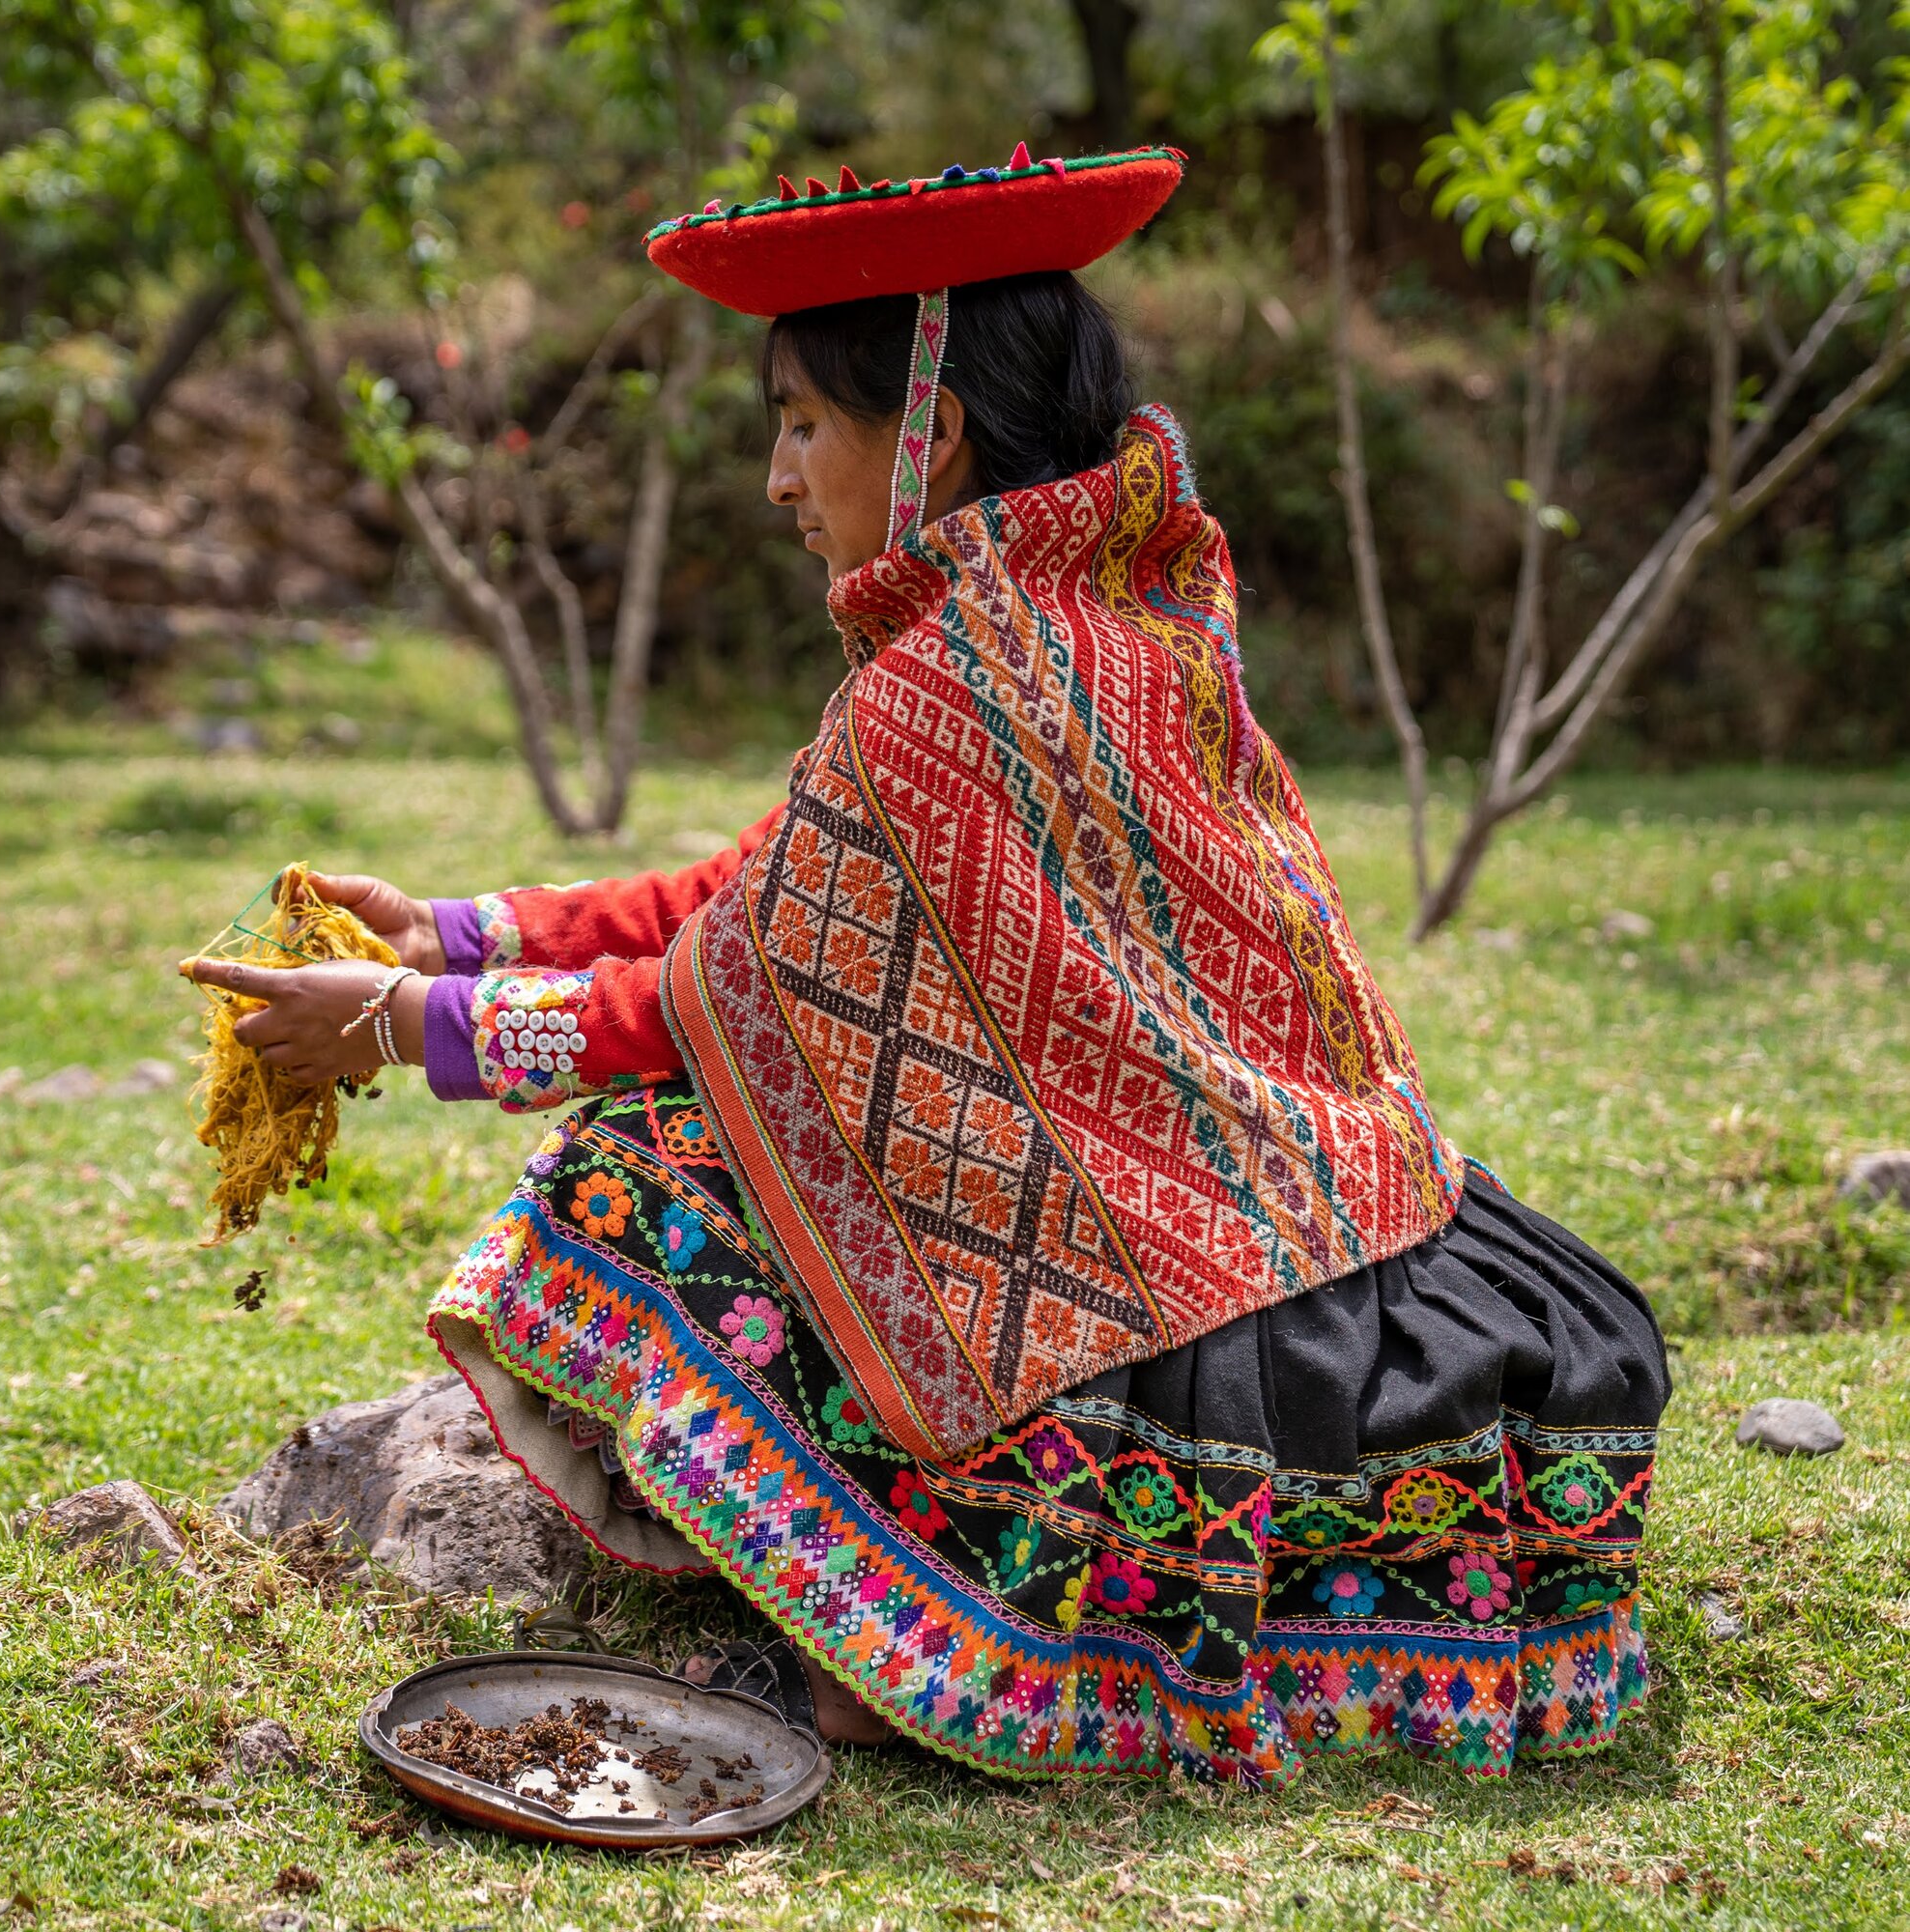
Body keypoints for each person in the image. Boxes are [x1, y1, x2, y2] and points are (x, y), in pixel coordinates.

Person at [184, 146, 1668, 1785]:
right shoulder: (1118, 618)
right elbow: (766, 894)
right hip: (1349, 1246)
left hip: (1180, 1328)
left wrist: (404, 1029)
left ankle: (900, 1641)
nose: (775, 475)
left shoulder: (942, 688)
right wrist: (460, 936)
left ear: (930, 435)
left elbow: (715, 997)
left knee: (643, 1172)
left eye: (802, 423)